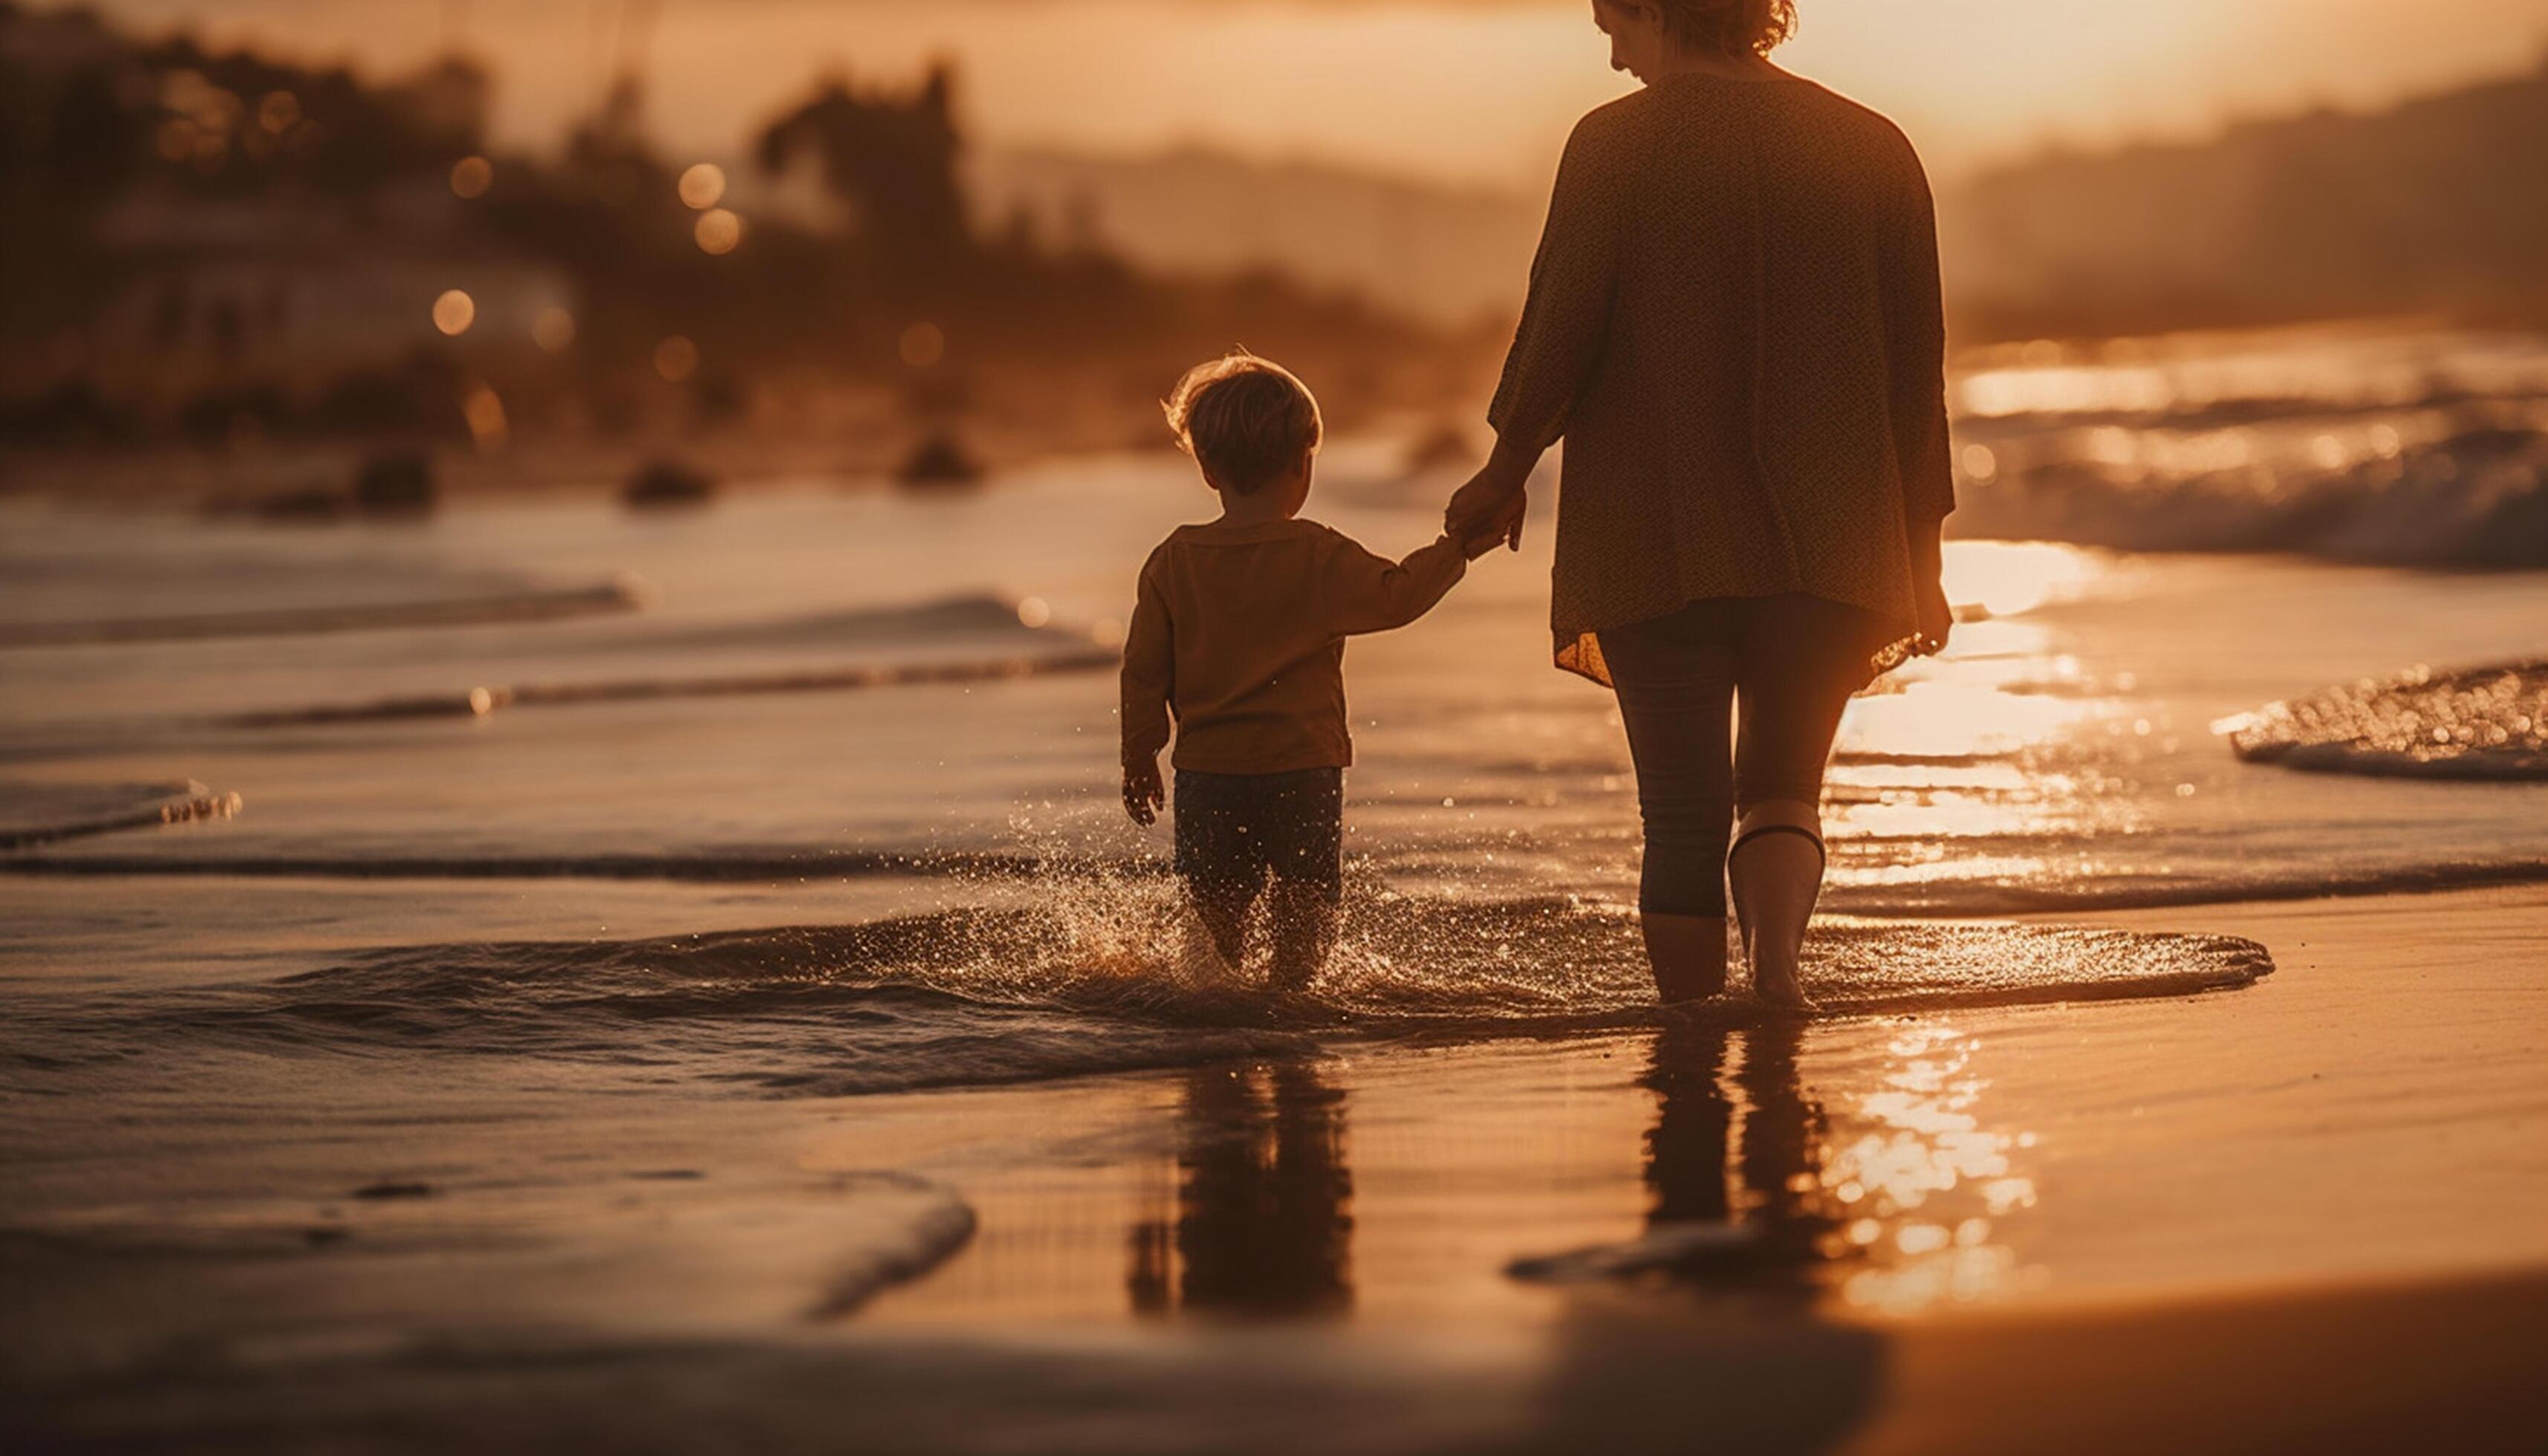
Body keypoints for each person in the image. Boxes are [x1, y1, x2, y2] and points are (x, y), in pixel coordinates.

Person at [1446, 0, 1957, 1010]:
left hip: (1656, 531)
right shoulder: (1873, 146)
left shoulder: (1613, 146)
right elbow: (1915, 375)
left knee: (1680, 817)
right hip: (1832, 544)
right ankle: (1774, 981)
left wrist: (1501, 471)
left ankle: (1688, 1039)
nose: (1608, 51)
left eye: (1610, 22)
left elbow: (1562, 325)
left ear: (1651, 7)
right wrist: (1923, 557)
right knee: (1781, 788)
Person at [1122, 352, 1501, 988]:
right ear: (1304, 465)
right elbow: (1397, 596)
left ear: (1209, 470)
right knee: (1305, 917)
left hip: (1209, 776)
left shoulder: (1173, 561)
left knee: (1213, 930)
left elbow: (1143, 674)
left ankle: (1216, 1039)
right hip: (1302, 773)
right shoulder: (1317, 553)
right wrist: (1457, 547)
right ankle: (1292, 1022)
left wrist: (1139, 756)